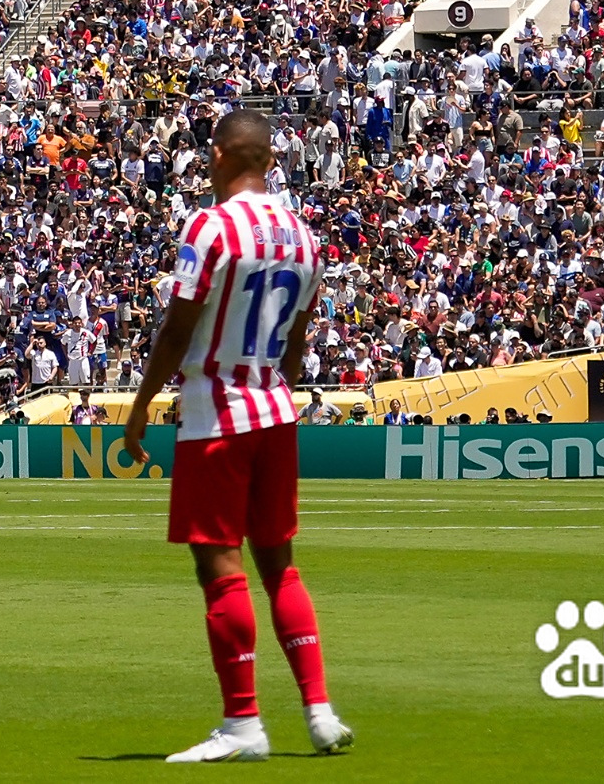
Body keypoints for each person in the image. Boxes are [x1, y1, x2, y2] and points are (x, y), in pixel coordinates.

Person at [123, 111, 349, 763]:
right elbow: (299, 349)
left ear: (220, 154)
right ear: (271, 158)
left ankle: (243, 723)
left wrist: (141, 406)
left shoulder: (210, 225)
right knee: (280, 563)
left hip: (215, 411)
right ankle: (319, 711)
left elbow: (176, 325)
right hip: (276, 408)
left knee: (219, 564)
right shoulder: (303, 235)